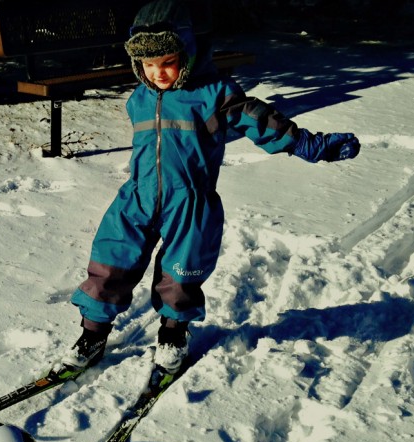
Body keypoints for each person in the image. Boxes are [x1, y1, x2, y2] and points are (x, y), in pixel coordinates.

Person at [58, 0, 360, 375]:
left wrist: (310, 145)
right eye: (148, 66)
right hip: (137, 196)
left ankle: (173, 333)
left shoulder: (215, 94)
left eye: (167, 62)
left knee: (182, 272)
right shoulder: (139, 98)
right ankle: (93, 334)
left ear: (187, 51)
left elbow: (261, 121)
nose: (158, 73)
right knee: (110, 262)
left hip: (190, 201)